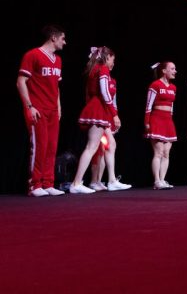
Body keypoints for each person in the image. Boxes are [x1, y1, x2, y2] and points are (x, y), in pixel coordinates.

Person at [69, 46, 131, 193]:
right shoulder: (102, 69)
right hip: (97, 109)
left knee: (111, 144)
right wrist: (114, 114)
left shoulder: (96, 69)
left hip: (99, 109)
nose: (113, 63)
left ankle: (112, 180)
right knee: (92, 146)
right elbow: (104, 92)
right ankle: (76, 183)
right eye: (112, 59)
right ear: (107, 57)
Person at [17, 25, 67, 197]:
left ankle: (48, 183)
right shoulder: (32, 55)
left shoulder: (58, 60)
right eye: (63, 38)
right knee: (40, 146)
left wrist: (59, 107)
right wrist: (29, 106)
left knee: (52, 147)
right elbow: (21, 82)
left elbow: (56, 86)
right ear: (53, 37)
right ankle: (35, 184)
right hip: (38, 109)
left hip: (53, 110)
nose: (65, 42)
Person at [145, 61, 178, 189]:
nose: (175, 71)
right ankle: (157, 181)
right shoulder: (155, 85)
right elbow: (148, 105)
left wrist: (171, 121)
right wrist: (146, 122)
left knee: (166, 153)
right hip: (156, 119)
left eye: (175, 69)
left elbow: (172, 107)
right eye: (172, 69)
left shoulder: (173, 87)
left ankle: (163, 180)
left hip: (168, 121)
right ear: (164, 71)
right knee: (158, 152)